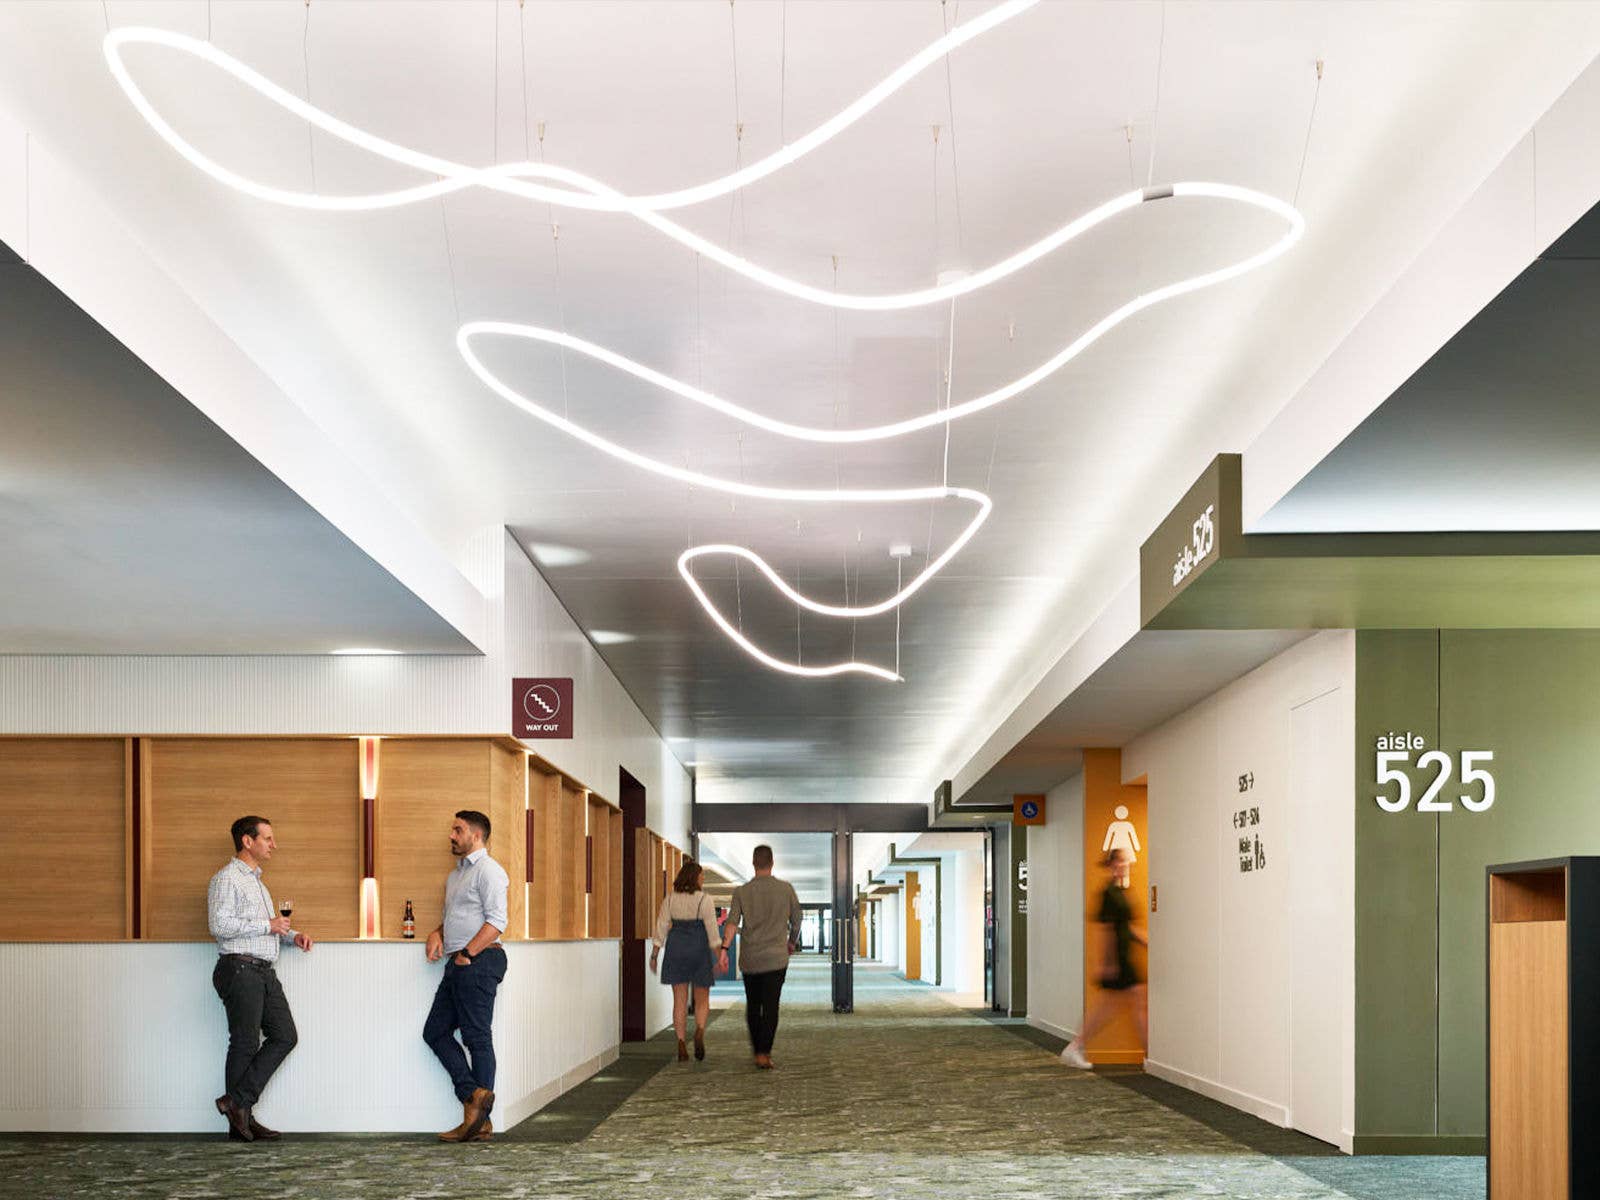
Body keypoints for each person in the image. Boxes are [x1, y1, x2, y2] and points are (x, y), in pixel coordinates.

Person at [206, 814, 314, 1142]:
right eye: (267, 838)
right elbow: (219, 925)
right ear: (247, 841)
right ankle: (241, 1120)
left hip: (262, 971)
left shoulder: (257, 883)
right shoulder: (227, 878)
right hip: (239, 969)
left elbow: (265, 928)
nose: (274, 844)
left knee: (285, 1036)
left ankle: (238, 1105)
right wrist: (269, 925)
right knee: (245, 1043)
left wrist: (291, 935)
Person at [422, 810, 509, 1143]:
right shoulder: (455, 875)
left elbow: (497, 921)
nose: (451, 835)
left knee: (476, 1037)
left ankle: (475, 1117)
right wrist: (437, 932)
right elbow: (459, 917)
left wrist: (468, 953)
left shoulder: (490, 871)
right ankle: (475, 1101)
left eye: (457, 830)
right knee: (435, 1032)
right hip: (458, 960)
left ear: (476, 835)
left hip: (480, 960)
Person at [1060, 848, 1147, 1069]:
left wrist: (1146, 940)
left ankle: (1076, 1046)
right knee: (1121, 1005)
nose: (1123, 866)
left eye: (1125, 863)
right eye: (1119, 863)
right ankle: (1150, 1055)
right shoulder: (1107, 893)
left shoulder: (1122, 892)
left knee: (1122, 1005)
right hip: (1117, 959)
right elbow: (1105, 930)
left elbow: (1127, 927)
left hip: (1124, 955)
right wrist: (1105, 963)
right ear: (1110, 865)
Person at [719, 844, 802, 1069]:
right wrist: (791, 942)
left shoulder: (741, 892)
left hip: (750, 959)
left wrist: (724, 950)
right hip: (776, 958)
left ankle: (757, 1051)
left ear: (754, 864)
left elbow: (732, 923)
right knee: (771, 1005)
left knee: (754, 1005)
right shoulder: (786, 889)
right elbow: (797, 919)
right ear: (772, 863)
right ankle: (765, 1052)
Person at [650, 859, 728, 1062]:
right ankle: (700, 1030)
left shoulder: (670, 899)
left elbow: (661, 926)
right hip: (698, 950)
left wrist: (655, 954)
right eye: (701, 875)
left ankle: (681, 1043)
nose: (703, 879)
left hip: (676, 949)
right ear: (695, 878)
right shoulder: (704, 900)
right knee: (702, 998)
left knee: (679, 1000)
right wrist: (720, 955)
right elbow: (712, 931)